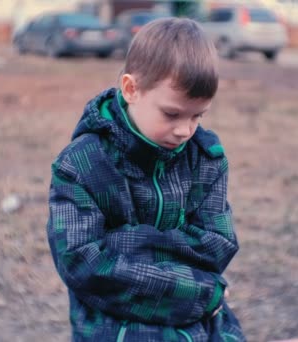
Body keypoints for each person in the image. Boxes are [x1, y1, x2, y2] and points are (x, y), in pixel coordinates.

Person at [46, 17, 245, 341]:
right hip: (113, 330)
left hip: (197, 328)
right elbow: (82, 264)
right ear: (131, 89)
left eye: (197, 115)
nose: (185, 130)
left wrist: (121, 243)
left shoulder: (207, 159)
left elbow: (218, 246)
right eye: (171, 114)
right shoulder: (80, 165)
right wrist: (195, 287)